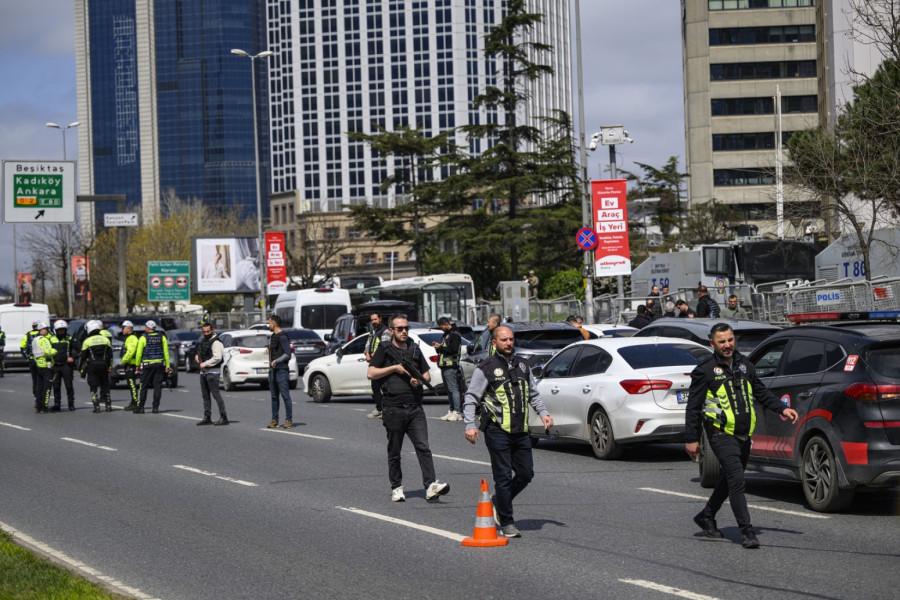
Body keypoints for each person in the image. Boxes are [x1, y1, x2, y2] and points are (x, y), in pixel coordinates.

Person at [685, 323, 799, 549]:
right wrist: (691, 438)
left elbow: (761, 392)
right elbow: (693, 407)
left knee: (729, 480)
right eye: (722, 342)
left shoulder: (745, 365)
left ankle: (707, 515)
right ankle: (746, 531)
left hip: (744, 435)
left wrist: (782, 408)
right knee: (737, 480)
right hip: (720, 434)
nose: (727, 345)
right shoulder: (705, 370)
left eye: (730, 340)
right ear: (712, 344)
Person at [463, 325, 553, 538]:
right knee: (502, 477)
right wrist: (470, 425)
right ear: (494, 343)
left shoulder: (523, 365)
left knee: (526, 473)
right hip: (496, 429)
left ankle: (499, 501)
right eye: (504, 340)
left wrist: (544, 413)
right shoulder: (485, 367)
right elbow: (471, 397)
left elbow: (533, 393)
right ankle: (507, 521)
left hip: (521, 430)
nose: (509, 343)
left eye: (511, 339)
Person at [368, 314, 450, 503]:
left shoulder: (414, 348)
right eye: (400, 329)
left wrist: (418, 381)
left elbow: (426, 375)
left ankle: (430, 485)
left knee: (423, 447)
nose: (404, 331)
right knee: (395, 451)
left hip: (414, 407)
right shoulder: (385, 349)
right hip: (393, 408)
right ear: (391, 331)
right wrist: (394, 368)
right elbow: (371, 373)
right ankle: (396, 487)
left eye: (406, 328)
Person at [195, 322, 229, 426]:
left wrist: (204, 363)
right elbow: (202, 352)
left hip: (213, 372)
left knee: (216, 395)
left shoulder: (216, 342)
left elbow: (217, 357)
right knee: (205, 396)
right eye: (204, 332)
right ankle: (207, 417)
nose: (206, 333)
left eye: (208, 331)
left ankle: (224, 417)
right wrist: (197, 357)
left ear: (212, 330)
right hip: (204, 372)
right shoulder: (205, 340)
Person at [134, 320, 170, 414]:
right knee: (157, 386)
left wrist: (137, 365)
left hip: (147, 365)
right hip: (159, 364)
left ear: (148, 328)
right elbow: (166, 352)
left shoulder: (143, 337)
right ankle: (155, 407)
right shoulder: (161, 337)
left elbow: (139, 353)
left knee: (143, 386)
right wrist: (167, 365)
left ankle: (141, 407)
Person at [78, 320, 113, 413]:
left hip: (92, 365)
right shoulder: (105, 339)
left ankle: (96, 406)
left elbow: (82, 357)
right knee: (105, 384)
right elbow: (110, 355)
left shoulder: (87, 341)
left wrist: (80, 369)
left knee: (93, 386)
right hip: (104, 364)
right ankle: (108, 405)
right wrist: (109, 366)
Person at [433, 317, 463, 421]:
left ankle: (457, 412)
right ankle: (451, 410)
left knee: (453, 388)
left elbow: (453, 349)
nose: (441, 329)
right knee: (448, 389)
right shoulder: (447, 334)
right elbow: (445, 349)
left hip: (451, 365)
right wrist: (438, 348)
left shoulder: (454, 334)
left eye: (441, 326)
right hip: (444, 365)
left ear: (446, 324)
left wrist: (440, 348)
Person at [267, 315, 293, 429]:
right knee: (274, 396)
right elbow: (276, 349)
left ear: (274, 323)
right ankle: (274, 420)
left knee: (285, 396)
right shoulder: (273, 336)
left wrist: (276, 361)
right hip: (272, 371)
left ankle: (288, 420)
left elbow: (288, 354)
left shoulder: (283, 337)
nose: (269, 325)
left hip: (281, 370)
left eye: (269, 323)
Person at [365, 312, 392, 419]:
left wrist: (375, 355)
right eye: (372, 320)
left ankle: (387, 410)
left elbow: (384, 345)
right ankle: (379, 409)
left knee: (385, 387)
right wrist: (367, 354)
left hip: (383, 363)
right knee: (375, 387)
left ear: (380, 319)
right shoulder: (372, 331)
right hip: (374, 363)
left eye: (375, 319)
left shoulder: (385, 331)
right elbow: (368, 344)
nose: (373, 322)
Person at [50, 320, 76, 411]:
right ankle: (57, 404)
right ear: (56, 330)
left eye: (63, 330)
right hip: (55, 366)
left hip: (66, 366)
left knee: (69, 386)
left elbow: (78, 349)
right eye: (60, 330)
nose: (62, 332)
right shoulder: (51, 339)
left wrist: (73, 357)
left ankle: (71, 404)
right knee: (56, 386)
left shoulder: (69, 338)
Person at [32, 322, 57, 413]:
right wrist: (55, 350)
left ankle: (38, 407)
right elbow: (49, 352)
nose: (48, 331)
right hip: (47, 365)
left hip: (38, 365)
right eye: (46, 329)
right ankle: (45, 407)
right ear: (42, 330)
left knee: (39, 387)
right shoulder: (44, 339)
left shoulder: (35, 339)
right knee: (47, 387)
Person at [120, 321, 140, 410]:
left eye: (123, 327)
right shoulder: (128, 337)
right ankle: (133, 401)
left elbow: (131, 351)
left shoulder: (132, 338)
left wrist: (124, 361)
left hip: (131, 364)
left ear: (128, 328)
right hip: (129, 364)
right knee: (130, 384)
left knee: (132, 384)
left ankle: (135, 402)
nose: (122, 330)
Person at [21, 320, 40, 405]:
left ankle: (36, 396)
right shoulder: (43, 334)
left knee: (35, 379)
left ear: (32, 326)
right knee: (42, 380)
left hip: (32, 360)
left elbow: (22, 347)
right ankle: (41, 397)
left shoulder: (27, 335)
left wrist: (27, 357)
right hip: (41, 360)